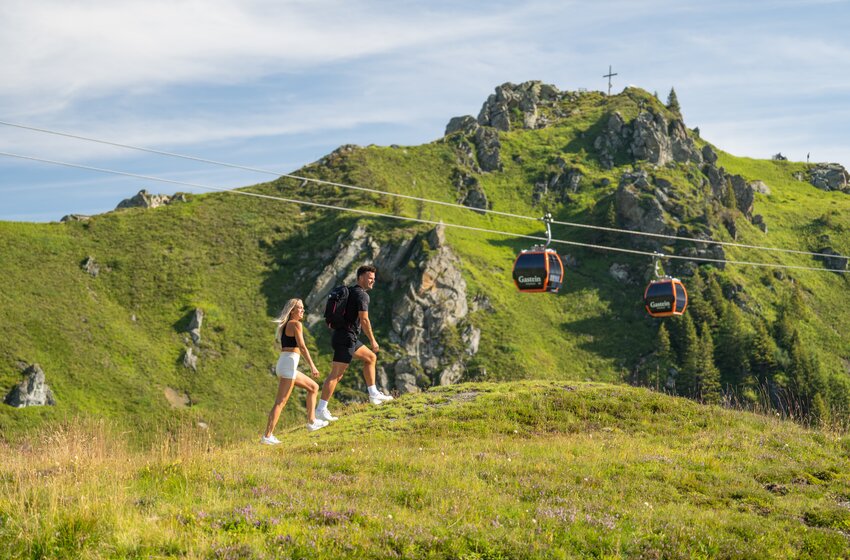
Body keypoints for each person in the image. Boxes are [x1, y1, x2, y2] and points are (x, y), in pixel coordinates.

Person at [316, 265, 393, 422]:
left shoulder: (350, 291)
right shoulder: (362, 295)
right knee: (335, 374)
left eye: (374, 279)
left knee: (370, 358)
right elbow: (364, 319)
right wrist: (372, 340)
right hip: (346, 338)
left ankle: (373, 394)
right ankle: (321, 410)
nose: (372, 281)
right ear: (360, 278)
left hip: (345, 336)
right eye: (370, 278)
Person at [262, 298, 327, 444]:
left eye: (303, 308)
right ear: (292, 311)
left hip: (285, 364)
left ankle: (311, 422)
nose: (303, 310)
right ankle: (267, 436)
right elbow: (302, 347)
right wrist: (312, 366)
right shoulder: (296, 324)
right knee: (280, 402)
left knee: (313, 387)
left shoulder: (285, 325)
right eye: (300, 308)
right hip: (288, 366)